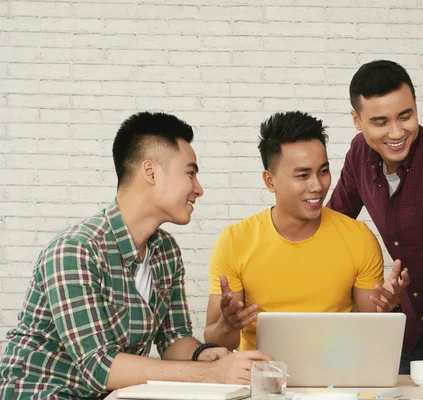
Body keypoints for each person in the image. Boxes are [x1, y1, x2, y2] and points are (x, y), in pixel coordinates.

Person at [0, 112, 272, 399]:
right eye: (190, 173)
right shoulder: (76, 251)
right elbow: (100, 367)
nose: (198, 189)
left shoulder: (165, 252)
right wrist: (211, 375)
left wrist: (208, 355)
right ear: (150, 172)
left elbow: (173, 339)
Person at [204, 111, 410, 351]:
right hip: (261, 376)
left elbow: (370, 335)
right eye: (302, 175)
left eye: (323, 171)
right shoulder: (235, 241)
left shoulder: (358, 238)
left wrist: (387, 310)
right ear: (270, 181)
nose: (318, 186)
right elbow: (215, 341)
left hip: (336, 375)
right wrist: (228, 325)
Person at [327, 60, 423, 374]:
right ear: (357, 120)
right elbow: (334, 224)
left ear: (415, 106)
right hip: (408, 329)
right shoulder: (359, 153)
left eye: (406, 116)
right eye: (380, 121)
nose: (396, 132)